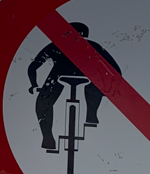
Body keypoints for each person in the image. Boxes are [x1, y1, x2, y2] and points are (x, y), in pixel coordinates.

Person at [27, 22, 121, 151]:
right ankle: (90, 116)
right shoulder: (90, 46)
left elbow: (33, 67)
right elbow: (115, 69)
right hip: (66, 76)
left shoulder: (59, 45)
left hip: (63, 76)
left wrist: (34, 84)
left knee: (43, 101)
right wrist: (110, 88)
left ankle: (50, 136)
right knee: (43, 101)